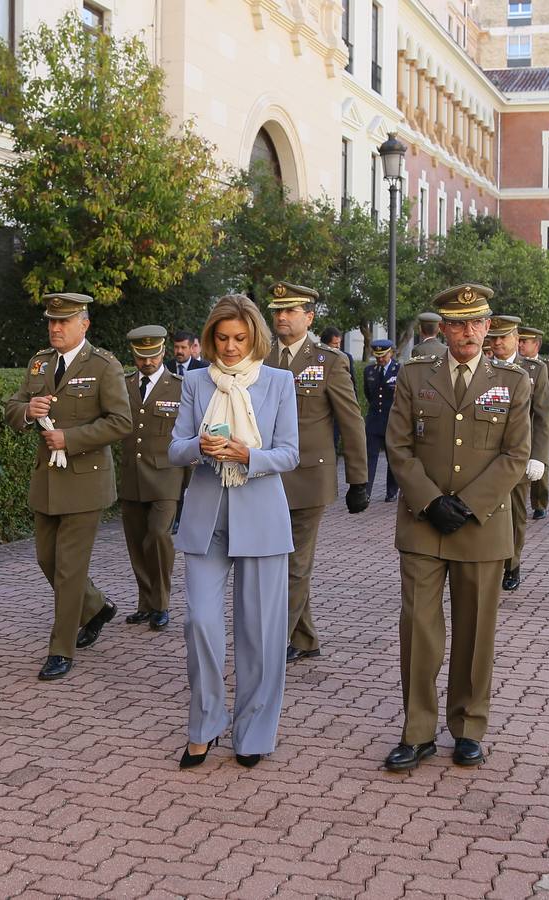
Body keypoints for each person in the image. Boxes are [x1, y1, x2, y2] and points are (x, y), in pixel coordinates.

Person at [381, 284, 531, 771]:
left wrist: (466, 505)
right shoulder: (415, 375)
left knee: (475, 633)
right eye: (458, 324)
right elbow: (398, 446)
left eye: (476, 323)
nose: (467, 332)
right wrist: (429, 501)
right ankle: (417, 732)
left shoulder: (512, 381)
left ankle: (468, 728)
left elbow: (516, 455)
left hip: (481, 525)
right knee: (419, 632)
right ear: (443, 329)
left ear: (487, 327)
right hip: (423, 525)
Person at [169, 294, 299, 769]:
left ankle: (253, 734)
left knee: (260, 633)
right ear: (210, 338)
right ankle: (204, 725)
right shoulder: (195, 381)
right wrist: (199, 447)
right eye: (222, 338)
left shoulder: (279, 382)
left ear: (254, 338)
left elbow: (289, 453)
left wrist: (248, 455)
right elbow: (175, 449)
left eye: (239, 338)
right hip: (206, 521)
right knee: (199, 622)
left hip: (262, 518)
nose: (229, 347)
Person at [4, 293, 133, 681]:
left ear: (84, 325)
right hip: (47, 480)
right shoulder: (40, 362)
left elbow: (121, 422)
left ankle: (61, 650)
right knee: (47, 559)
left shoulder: (104, 365)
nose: (55, 328)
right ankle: (96, 607)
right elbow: (13, 406)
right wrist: (28, 411)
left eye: (64, 321)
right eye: (51, 321)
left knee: (69, 569)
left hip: (85, 481)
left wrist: (71, 438)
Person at [265, 281, 370, 664]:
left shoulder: (329, 361)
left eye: (290, 311)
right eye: (277, 311)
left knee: (293, 563)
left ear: (309, 318)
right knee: (278, 559)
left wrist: (359, 479)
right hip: (266, 476)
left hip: (308, 478)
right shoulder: (261, 357)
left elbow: (351, 420)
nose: (281, 317)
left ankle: (274, 642)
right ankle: (305, 637)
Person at [119, 325, 186, 630]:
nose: (147, 362)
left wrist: (190, 482)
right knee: (136, 542)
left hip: (166, 477)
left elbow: (190, 434)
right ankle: (145, 603)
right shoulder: (123, 385)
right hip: (132, 475)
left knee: (159, 536)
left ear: (163, 352)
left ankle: (161, 603)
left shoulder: (180, 387)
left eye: (153, 356)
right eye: (141, 356)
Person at [485, 316, 549, 592]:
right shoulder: (482, 365)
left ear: (516, 338)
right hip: (486, 453)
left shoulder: (535, 370)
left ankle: (512, 565)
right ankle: (486, 563)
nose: (497, 343)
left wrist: (539, 456)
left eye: (503, 337)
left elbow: (542, 416)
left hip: (518, 454)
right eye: (493, 338)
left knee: (514, 514)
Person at [518, 325, 549, 520]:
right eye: (519, 341)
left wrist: (540, 406)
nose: (520, 345)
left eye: (524, 342)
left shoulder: (548, 366)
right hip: (520, 423)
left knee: (540, 461)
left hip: (537, 421)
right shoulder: (517, 364)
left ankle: (539, 503)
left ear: (536, 344)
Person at [363, 338, 401, 502]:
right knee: (369, 457)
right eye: (377, 356)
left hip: (392, 422)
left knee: (392, 458)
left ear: (391, 353)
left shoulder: (399, 370)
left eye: (383, 356)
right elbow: (368, 394)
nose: (380, 359)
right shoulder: (369, 371)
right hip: (374, 421)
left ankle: (391, 492)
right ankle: (366, 492)